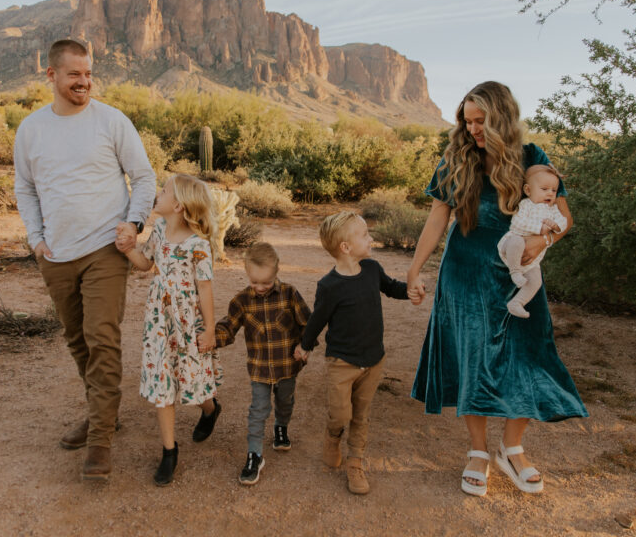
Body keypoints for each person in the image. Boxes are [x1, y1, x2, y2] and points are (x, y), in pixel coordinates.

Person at [406, 81, 587, 497]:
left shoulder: (533, 159)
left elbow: (563, 217)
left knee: (525, 357)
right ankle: (478, 452)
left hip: (516, 272)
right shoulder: (455, 160)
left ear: (502, 117)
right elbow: (437, 220)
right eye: (467, 121)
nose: (473, 129)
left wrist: (544, 241)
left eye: (481, 120)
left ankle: (513, 449)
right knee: (474, 360)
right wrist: (415, 271)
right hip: (465, 272)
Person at [14, 39, 156, 482]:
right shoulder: (31, 129)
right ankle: (104, 414)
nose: (84, 81)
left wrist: (134, 224)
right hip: (55, 254)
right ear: (52, 76)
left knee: (102, 338)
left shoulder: (111, 122)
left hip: (105, 251)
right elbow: (25, 188)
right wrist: (36, 239)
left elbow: (145, 177)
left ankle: (100, 440)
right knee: (78, 341)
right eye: (74, 73)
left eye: (88, 73)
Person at [294, 212, 418, 495]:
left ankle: (355, 463)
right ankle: (333, 435)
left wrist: (410, 291)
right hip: (341, 362)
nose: (370, 238)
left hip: (373, 360)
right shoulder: (329, 285)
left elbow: (391, 287)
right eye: (364, 235)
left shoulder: (373, 269)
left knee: (361, 414)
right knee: (340, 413)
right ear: (345, 247)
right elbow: (317, 320)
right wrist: (305, 346)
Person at [117, 174, 220, 486]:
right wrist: (127, 249)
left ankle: (210, 408)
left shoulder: (198, 245)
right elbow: (146, 263)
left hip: (188, 322)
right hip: (159, 322)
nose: (157, 195)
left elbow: (205, 290)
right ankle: (169, 451)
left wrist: (211, 331)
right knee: (164, 382)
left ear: (178, 205)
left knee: (194, 379)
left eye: (163, 191)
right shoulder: (159, 230)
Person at [215, 242, 313, 486]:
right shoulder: (242, 301)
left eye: (266, 283)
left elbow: (307, 324)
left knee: (285, 401)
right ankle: (254, 455)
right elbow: (229, 327)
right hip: (259, 367)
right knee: (257, 410)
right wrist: (211, 338)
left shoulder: (290, 294)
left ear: (277, 272)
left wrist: (306, 346)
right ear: (247, 273)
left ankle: (281, 426)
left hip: (287, 366)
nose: (259, 288)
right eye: (254, 282)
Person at [498, 164, 569, 318]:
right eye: (544, 189)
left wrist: (557, 226)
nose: (550, 193)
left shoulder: (553, 210)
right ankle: (514, 272)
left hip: (532, 257)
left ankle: (517, 303)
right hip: (510, 246)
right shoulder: (525, 205)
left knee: (536, 280)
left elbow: (564, 221)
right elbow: (517, 223)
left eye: (554, 190)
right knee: (516, 241)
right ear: (528, 190)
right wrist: (539, 229)